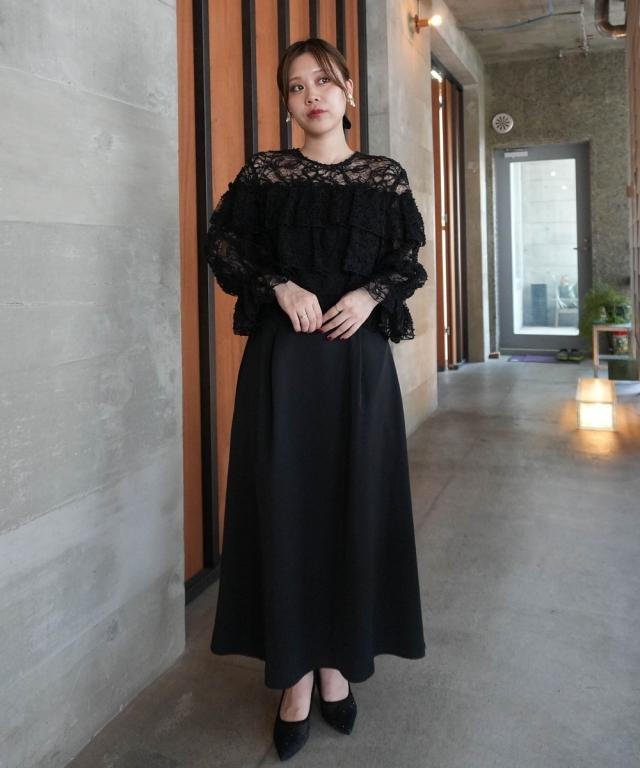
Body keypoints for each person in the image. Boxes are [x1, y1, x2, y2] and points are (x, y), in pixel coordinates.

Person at [206, 37, 428, 761]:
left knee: (354, 505)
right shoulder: (265, 174)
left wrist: (368, 295)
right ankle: (295, 675)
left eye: (325, 82)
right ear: (287, 103)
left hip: (358, 366)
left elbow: (406, 260)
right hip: (284, 366)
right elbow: (224, 245)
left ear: (348, 92)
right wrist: (279, 285)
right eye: (297, 86)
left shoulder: (383, 177)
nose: (312, 96)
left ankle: (339, 663)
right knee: (286, 510)